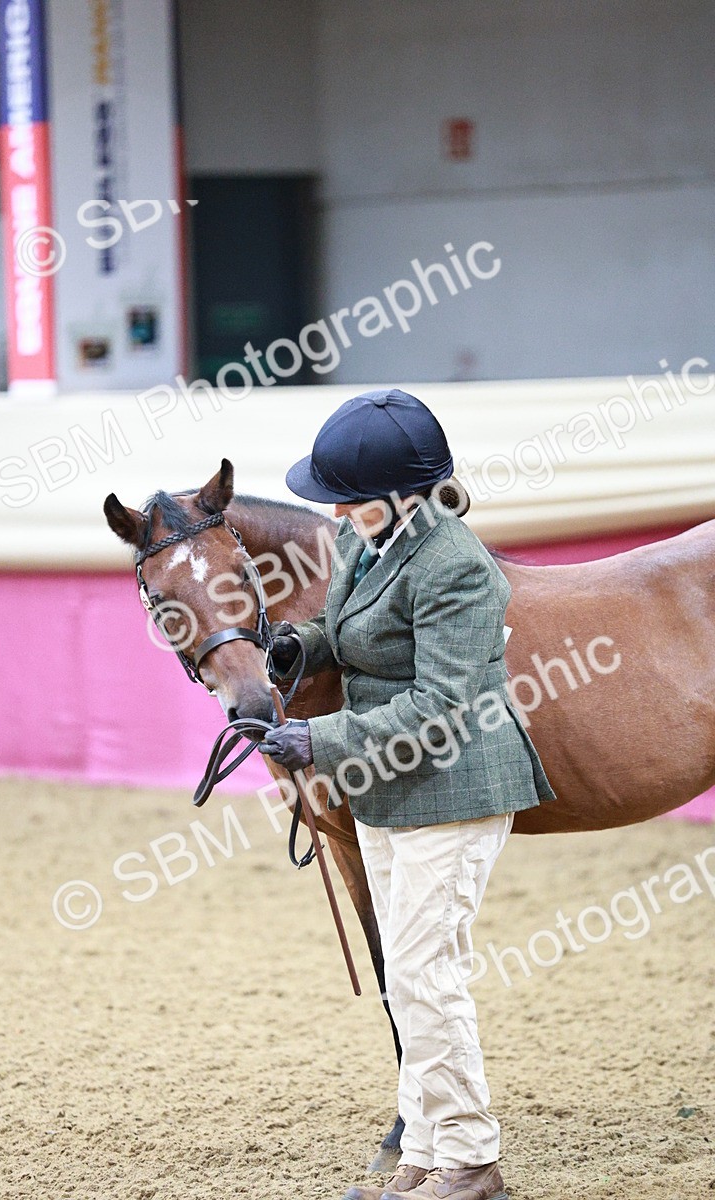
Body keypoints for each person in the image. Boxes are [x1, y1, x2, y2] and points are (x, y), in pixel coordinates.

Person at [259, 388, 556, 1200]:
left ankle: (472, 1159)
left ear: (396, 492)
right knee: (411, 978)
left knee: (429, 976)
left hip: (455, 786)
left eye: (346, 496)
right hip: (389, 789)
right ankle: (425, 1150)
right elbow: (345, 627)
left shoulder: (454, 563)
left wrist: (318, 740)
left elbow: (445, 707)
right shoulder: (368, 541)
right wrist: (298, 645)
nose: (335, 509)